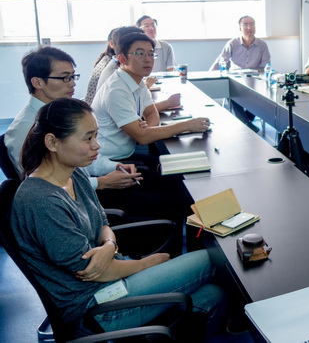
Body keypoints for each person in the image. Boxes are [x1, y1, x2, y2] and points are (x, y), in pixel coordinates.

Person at [10, 98, 225, 339]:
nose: (97, 145)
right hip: (96, 307)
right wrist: (146, 264)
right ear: (52, 142)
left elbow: (102, 221)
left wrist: (109, 245)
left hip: (113, 278)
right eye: (88, 138)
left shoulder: (74, 173)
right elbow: (91, 271)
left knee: (213, 295)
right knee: (214, 258)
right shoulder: (41, 201)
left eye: (96, 136)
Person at [4, 47, 141, 191]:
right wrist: (101, 183)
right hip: (70, 198)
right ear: (38, 82)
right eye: (65, 78)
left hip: (84, 186)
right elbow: (39, 186)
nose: (72, 83)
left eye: (73, 76)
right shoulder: (24, 129)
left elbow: (83, 155)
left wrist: (114, 166)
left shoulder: (63, 112)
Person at [91, 32, 211, 177]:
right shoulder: (116, 90)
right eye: (140, 53)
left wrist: (146, 130)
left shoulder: (137, 81)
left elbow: (151, 113)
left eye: (151, 54)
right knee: (175, 176)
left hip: (128, 153)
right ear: (122, 58)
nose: (148, 59)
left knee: (178, 168)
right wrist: (187, 125)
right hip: (110, 162)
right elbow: (142, 138)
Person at [210, 16, 271, 131]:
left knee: (260, 96)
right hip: (236, 78)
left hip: (255, 78)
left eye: (252, 24)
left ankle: (245, 121)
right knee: (230, 91)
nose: (249, 27)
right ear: (240, 28)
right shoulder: (232, 43)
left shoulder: (262, 45)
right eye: (246, 25)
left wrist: (257, 72)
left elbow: (266, 65)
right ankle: (246, 123)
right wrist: (211, 74)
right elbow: (221, 61)